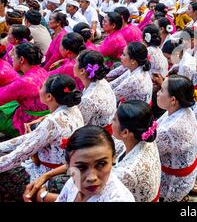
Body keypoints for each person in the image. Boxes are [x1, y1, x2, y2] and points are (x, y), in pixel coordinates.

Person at [0, 74, 84, 202]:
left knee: (5, 173)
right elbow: (31, 138)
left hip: (50, 175)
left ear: (49, 97)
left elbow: (19, 155)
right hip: (66, 169)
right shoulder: (73, 109)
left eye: (41, 87)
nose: (39, 90)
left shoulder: (52, 121)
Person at [56, 126, 135, 202]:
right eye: (81, 167)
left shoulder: (119, 199)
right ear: (68, 166)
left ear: (113, 159)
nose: (92, 178)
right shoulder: (72, 183)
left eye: (101, 164)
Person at [155, 75, 197, 202]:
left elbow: (150, 151)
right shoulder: (185, 110)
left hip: (173, 184)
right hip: (187, 176)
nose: (158, 93)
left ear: (173, 100)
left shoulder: (170, 129)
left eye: (162, 90)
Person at [111, 100, 161, 202]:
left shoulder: (126, 172)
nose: (111, 121)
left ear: (125, 132)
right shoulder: (145, 138)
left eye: (114, 120)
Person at [0, 43, 49, 137]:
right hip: (45, 116)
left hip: (30, 123)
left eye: (14, 56)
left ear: (21, 59)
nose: (11, 58)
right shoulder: (41, 70)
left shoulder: (24, 81)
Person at [75, 50, 116, 127]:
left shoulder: (88, 99)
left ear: (82, 71)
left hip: (99, 135)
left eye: (75, 63)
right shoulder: (101, 81)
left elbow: (79, 125)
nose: (73, 65)